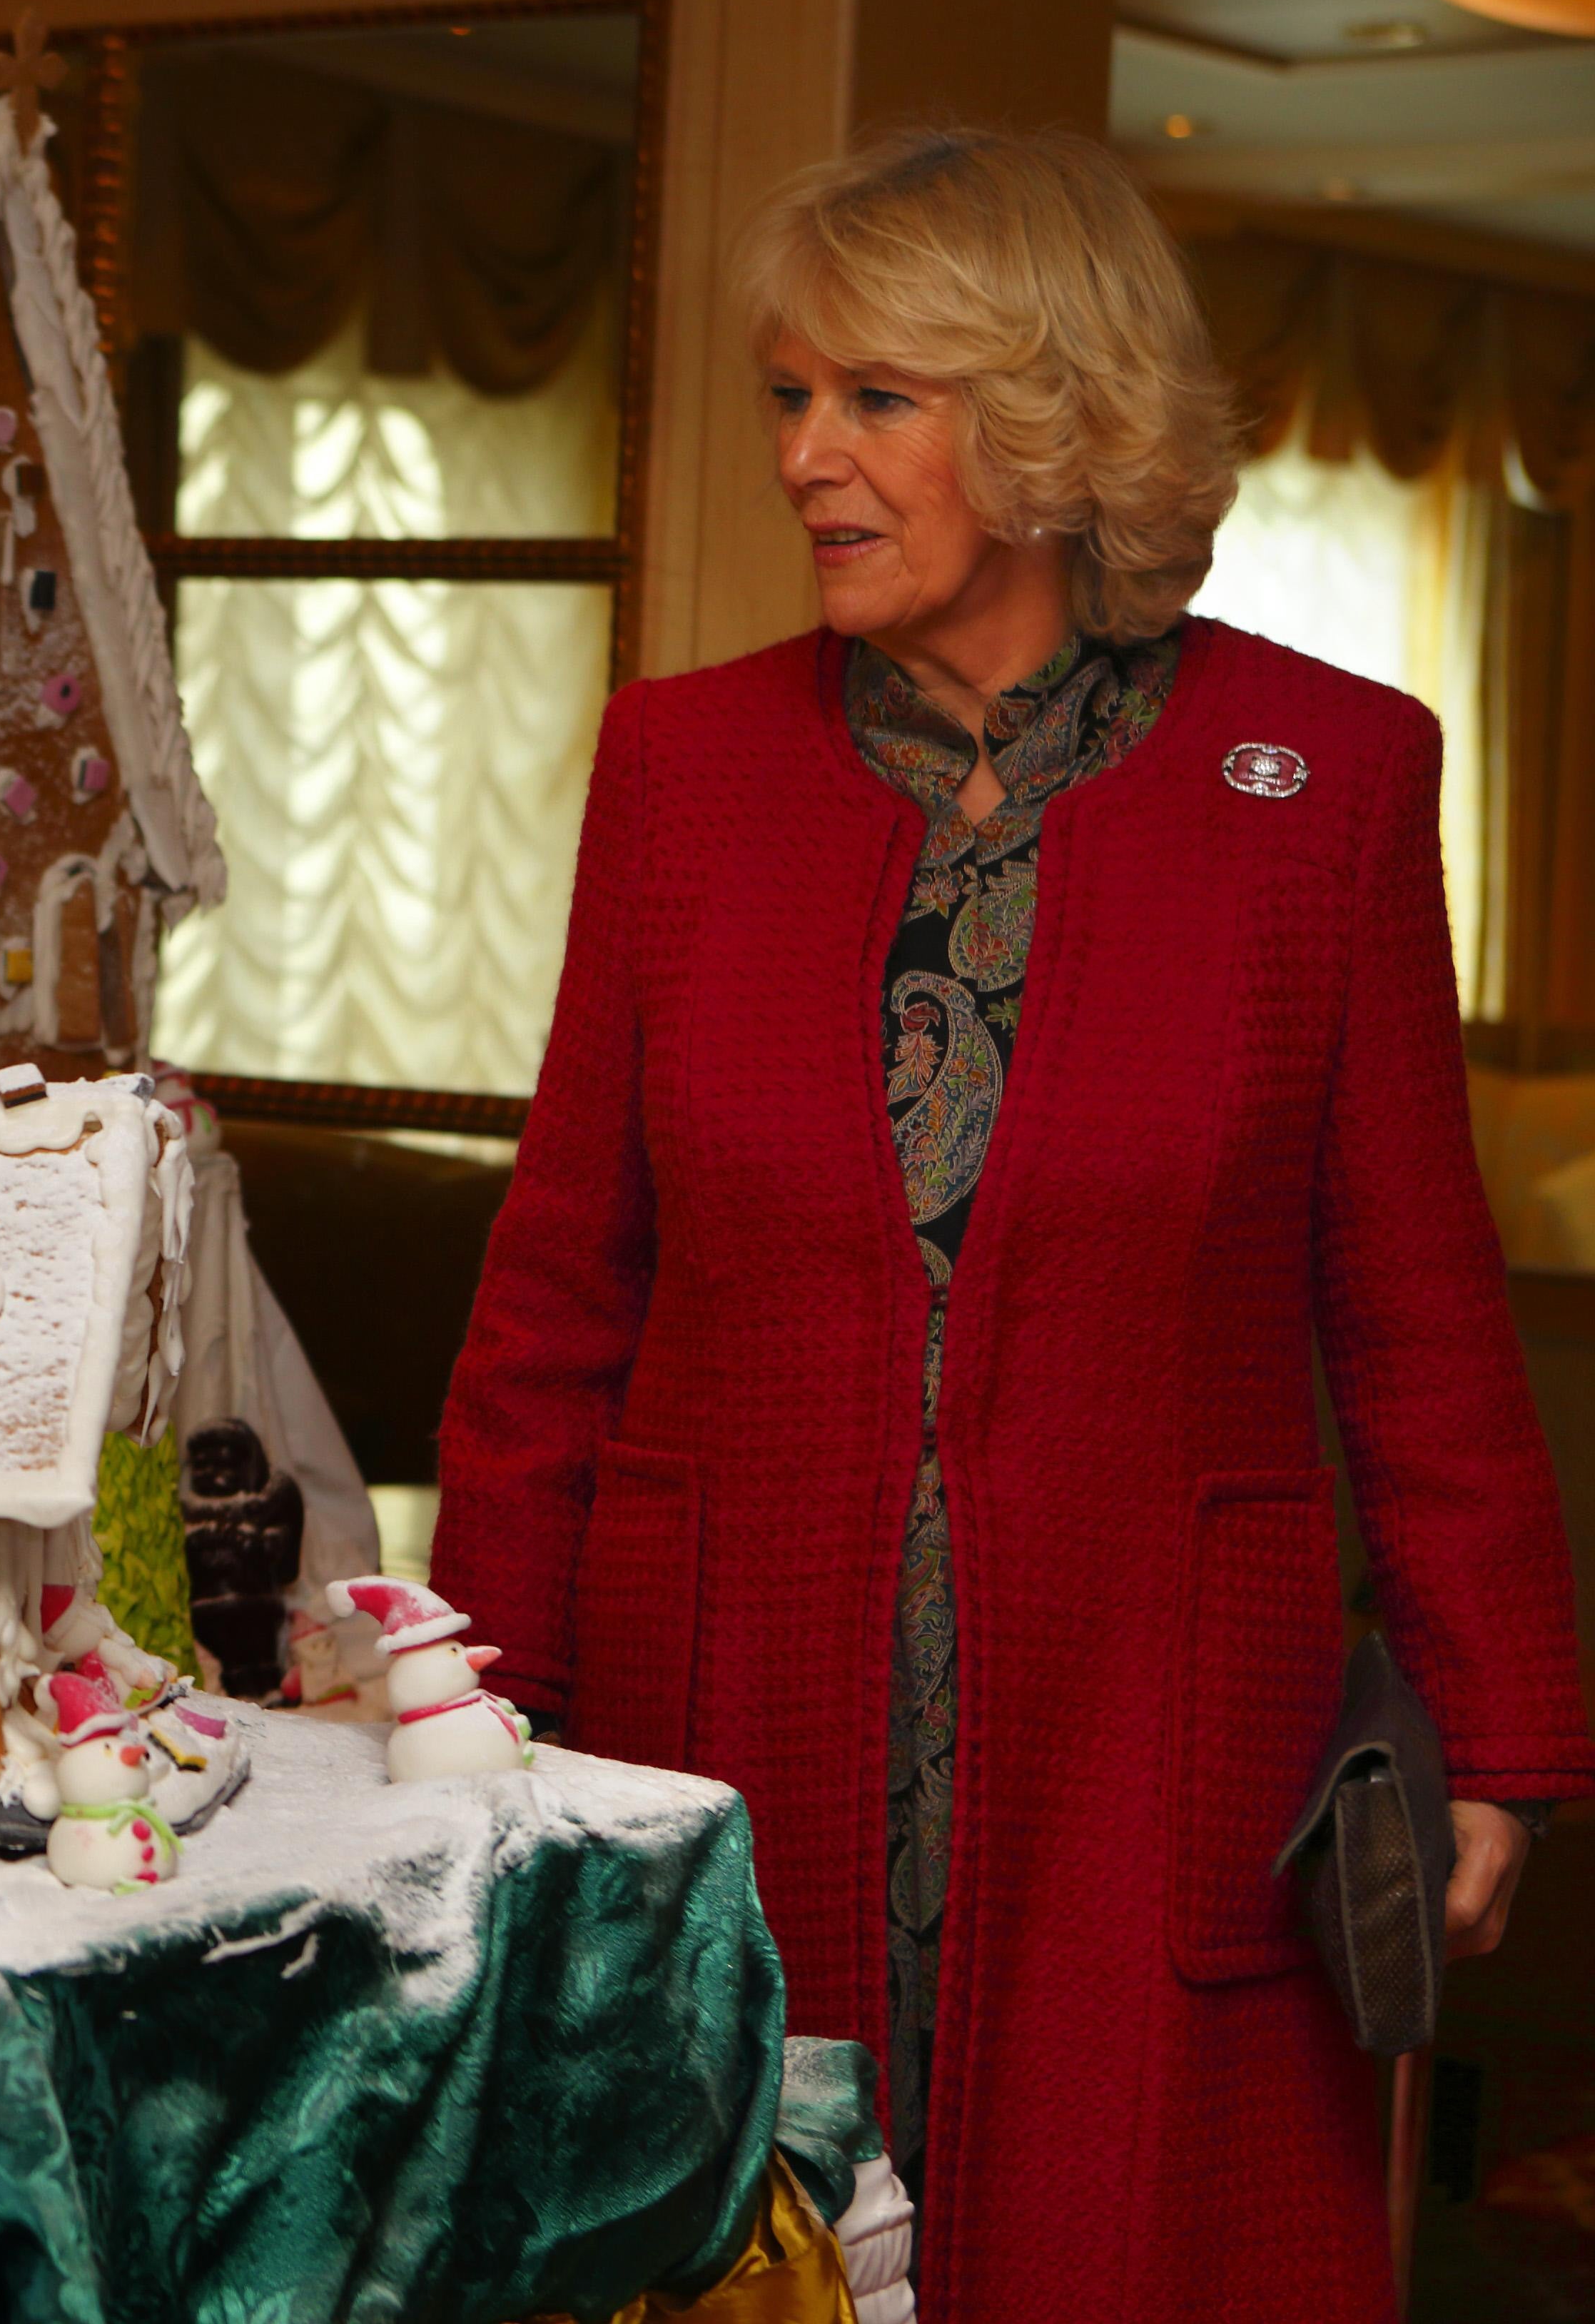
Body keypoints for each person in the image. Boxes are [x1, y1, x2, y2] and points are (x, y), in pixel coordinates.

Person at [430, 123, 1593, 2318]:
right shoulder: (681, 772)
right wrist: (472, 1724)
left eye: (878, 399)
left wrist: (1503, 1739)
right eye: (791, 396)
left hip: (1164, 1724)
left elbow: (1417, 1307)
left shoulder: (1328, 782)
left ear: (1057, 424)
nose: (807, 456)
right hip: (729, 1694)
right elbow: (559, 1296)